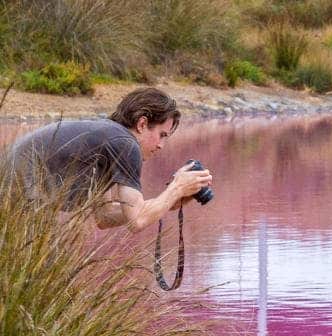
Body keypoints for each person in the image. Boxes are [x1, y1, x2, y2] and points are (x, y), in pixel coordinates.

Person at [6, 87, 212, 232]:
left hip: (15, 199)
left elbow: (104, 217)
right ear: (142, 124)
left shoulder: (108, 139)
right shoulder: (125, 143)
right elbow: (137, 221)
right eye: (162, 135)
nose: (161, 145)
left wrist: (169, 202)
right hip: (14, 198)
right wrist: (176, 187)